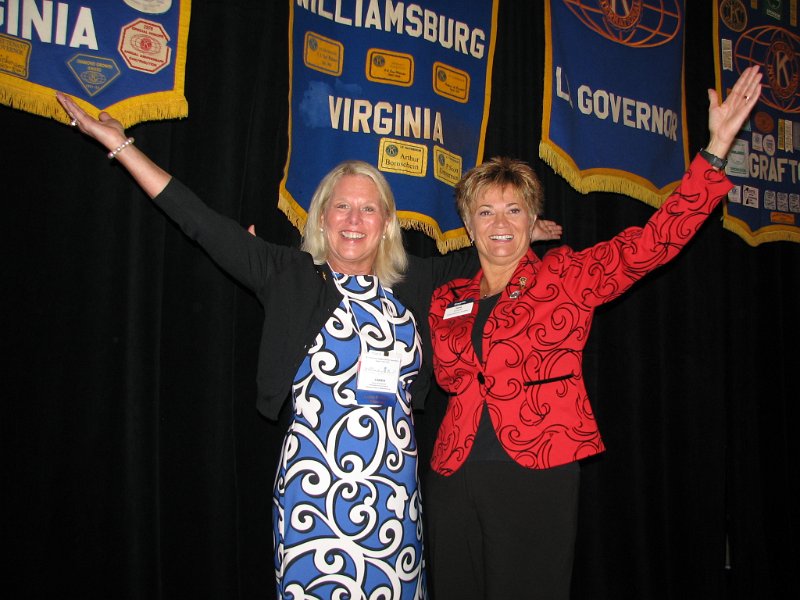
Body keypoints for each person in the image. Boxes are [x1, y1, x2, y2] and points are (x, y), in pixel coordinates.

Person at [55, 92, 560, 598]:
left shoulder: (416, 282)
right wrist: (121, 146)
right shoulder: (291, 276)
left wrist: (514, 228)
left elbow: (489, 251)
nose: (355, 220)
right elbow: (200, 223)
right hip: (314, 498)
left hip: (395, 500)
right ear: (321, 218)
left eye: (368, 209)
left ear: (386, 223)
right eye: (342, 207)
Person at [423, 65, 763, 599]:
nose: (499, 223)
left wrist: (716, 149)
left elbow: (655, 242)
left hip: (537, 468)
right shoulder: (448, 298)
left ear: (533, 218)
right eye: (485, 211)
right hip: (453, 474)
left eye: (514, 209)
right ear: (468, 224)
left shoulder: (566, 275)